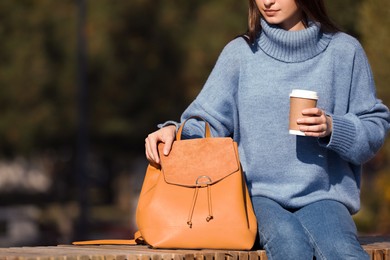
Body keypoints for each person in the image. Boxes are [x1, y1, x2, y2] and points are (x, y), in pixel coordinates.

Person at [145, 0, 390, 259]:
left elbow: (374, 127)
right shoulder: (240, 54)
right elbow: (207, 123)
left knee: (343, 252)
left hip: (324, 196)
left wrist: (332, 127)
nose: (267, 1)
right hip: (255, 195)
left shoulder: (344, 51)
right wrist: (175, 131)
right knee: (290, 247)